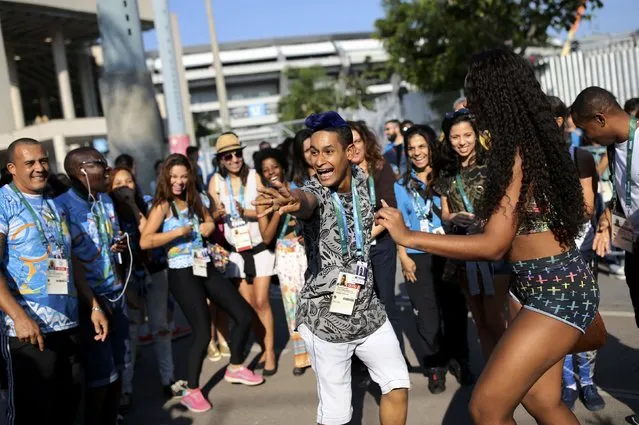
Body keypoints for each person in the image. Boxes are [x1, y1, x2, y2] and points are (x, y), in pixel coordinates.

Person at [376, 49, 598, 425]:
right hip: (532, 284)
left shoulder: (518, 153)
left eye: (474, 93)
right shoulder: (526, 144)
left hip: (556, 290)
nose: (469, 103)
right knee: (544, 403)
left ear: (495, 94)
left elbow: (493, 245)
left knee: (486, 408)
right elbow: (518, 227)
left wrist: (409, 235)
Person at [254, 111, 409, 425]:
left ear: (349, 153)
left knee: (397, 386)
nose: (319, 160)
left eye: (328, 151)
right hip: (326, 321)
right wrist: (292, 199)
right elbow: (304, 200)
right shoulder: (317, 192)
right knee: (337, 415)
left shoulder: (363, 183)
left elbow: (362, 228)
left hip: (368, 311)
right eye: (314, 152)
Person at [140, 154, 262, 413]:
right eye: (174, 177)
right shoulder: (162, 205)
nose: (179, 182)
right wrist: (175, 233)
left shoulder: (194, 198)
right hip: (181, 272)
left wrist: (207, 225)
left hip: (204, 264)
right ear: (166, 177)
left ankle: (236, 366)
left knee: (243, 314)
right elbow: (145, 241)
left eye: (184, 176)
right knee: (203, 332)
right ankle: (192, 390)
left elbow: (209, 219)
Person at [0, 139, 107, 425]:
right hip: (26, 332)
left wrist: (94, 306)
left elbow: (70, 260)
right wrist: (19, 317)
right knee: (33, 413)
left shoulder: (53, 203)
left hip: (68, 325)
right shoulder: (3, 202)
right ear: (12, 168)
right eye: (30, 163)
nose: (40, 168)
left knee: (68, 407)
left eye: (44, 161)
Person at [571, 87, 639, 424]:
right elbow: (626, 196)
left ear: (601, 118)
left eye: (586, 130)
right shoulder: (614, 148)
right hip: (633, 247)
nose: (587, 137)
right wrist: (607, 217)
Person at [394, 126, 472, 394]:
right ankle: (435, 366)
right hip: (417, 254)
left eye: (421, 147)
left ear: (430, 147)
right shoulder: (400, 185)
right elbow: (400, 223)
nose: (417, 153)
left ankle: (459, 360)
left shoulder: (445, 176)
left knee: (454, 309)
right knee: (426, 315)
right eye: (411, 148)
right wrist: (403, 255)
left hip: (448, 249)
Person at [55, 147, 129, 425]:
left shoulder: (106, 201)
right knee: (101, 374)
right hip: (90, 301)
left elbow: (106, 246)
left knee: (120, 366)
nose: (107, 169)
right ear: (80, 170)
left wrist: (117, 246)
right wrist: (92, 303)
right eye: (100, 164)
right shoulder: (60, 206)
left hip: (116, 292)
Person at [435, 108, 508, 362]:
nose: (462, 142)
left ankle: (510, 372)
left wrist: (487, 221)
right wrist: (453, 218)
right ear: (448, 139)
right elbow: (444, 213)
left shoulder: (492, 166)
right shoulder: (445, 172)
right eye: (456, 137)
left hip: (493, 251)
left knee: (496, 318)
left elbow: (506, 205)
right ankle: (492, 370)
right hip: (463, 252)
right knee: (479, 321)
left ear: (477, 135)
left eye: (467, 135)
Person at [548, 95, 606, 412]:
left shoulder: (580, 156)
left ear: (563, 120)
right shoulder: (535, 157)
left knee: (585, 313)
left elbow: (587, 206)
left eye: (553, 119)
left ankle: (588, 381)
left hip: (579, 245)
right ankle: (568, 381)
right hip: (550, 249)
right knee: (559, 318)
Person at [108, 167, 179, 412]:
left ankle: (167, 379)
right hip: (127, 277)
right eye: (118, 183)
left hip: (155, 272)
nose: (124, 186)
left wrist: (135, 207)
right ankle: (126, 389)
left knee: (161, 328)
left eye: (128, 181)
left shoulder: (148, 204)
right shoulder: (109, 211)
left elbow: (147, 234)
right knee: (132, 333)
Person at [208, 133, 277, 375]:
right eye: (229, 155)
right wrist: (216, 213)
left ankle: (269, 353)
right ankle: (261, 346)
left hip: (259, 249)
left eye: (238, 153)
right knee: (248, 307)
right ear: (221, 160)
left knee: (262, 302)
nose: (235, 159)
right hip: (235, 253)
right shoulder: (215, 182)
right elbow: (211, 217)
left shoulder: (254, 178)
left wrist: (245, 211)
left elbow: (265, 209)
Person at [254, 148, 311, 376]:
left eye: (274, 167)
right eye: (266, 170)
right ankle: (301, 357)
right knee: (292, 305)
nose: (271, 173)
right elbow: (266, 237)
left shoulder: (297, 190)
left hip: (306, 249)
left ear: (282, 167)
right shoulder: (262, 199)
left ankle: (323, 351)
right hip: (284, 253)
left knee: (314, 300)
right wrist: (278, 210)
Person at [347, 121, 403, 349]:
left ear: (366, 141)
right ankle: (363, 363)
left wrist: (365, 237)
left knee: (385, 303)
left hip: (380, 246)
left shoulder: (381, 167)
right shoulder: (339, 174)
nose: (354, 147)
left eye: (358, 141)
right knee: (354, 306)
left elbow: (388, 208)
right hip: (349, 252)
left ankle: (394, 357)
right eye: (348, 143)